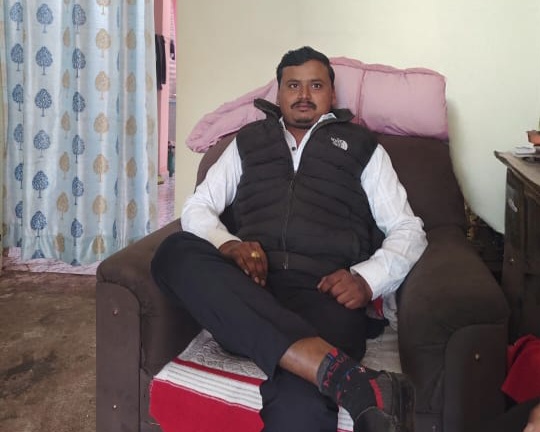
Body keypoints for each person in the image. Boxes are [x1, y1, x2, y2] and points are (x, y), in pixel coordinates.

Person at [151, 46, 427, 432]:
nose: (303, 95)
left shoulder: (363, 147)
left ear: (331, 94)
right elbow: (199, 206)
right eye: (293, 85)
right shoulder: (248, 142)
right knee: (173, 251)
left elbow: (408, 229)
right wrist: (228, 245)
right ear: (278, 93)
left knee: (299, 401)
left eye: (316, 85)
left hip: (326, 296)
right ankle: (345, 376)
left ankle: (323, 369)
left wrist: (367, 280)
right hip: (249, 290)